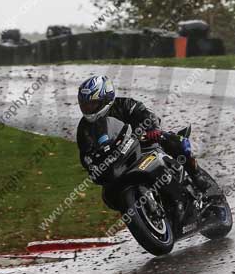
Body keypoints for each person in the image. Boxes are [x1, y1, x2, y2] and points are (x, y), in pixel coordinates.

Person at [75, 75, 210, 192]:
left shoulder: (125, 104)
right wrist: (92, 164)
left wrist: (152, 131)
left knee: (174, 141)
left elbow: (148, 116)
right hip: (119, 162)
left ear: (105, 99)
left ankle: (197, 175)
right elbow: (86, 154)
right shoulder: (84, 128)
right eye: (85, 105)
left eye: (92, 104)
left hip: (143, 144)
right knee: (108, 191)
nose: (87, 109)